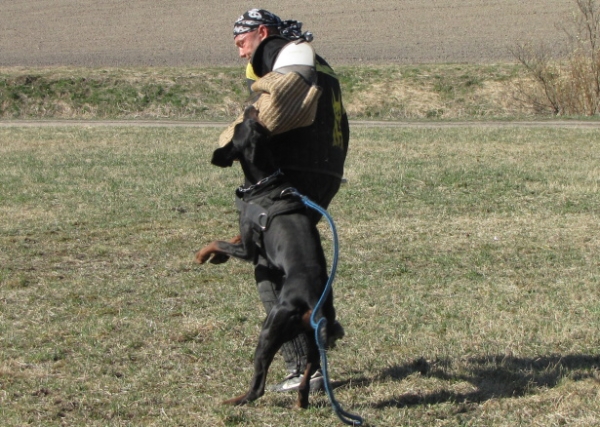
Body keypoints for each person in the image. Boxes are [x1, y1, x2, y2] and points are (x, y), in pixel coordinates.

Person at [221, 8, 349, 392]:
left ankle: (301, 366)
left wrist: (230, 139)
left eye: (242, 43)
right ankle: (323, 328)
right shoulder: (316, 61)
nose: (242, 54)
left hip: (292, 176)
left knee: (269, 266)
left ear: (261, 33)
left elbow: (278, 106)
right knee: (299, 260)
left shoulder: (287, 57)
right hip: (325, 172)